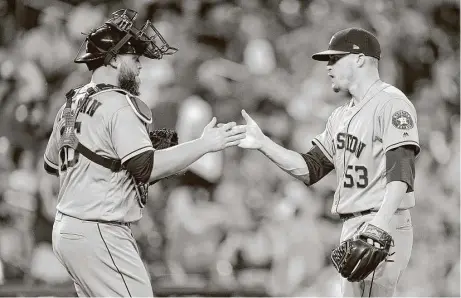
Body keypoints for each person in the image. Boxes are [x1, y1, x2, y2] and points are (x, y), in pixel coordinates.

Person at [42, 9, 246, 297]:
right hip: (101, 230)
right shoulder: (119, 103)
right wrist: (205, 143)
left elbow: (53, 165)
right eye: (134, 59)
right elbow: (146, 168)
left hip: (67, 230)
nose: (140, 67)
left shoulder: (71, 103)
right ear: (112, 59)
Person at [237, 27, 420, 297]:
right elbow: (309, 169)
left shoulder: (391, 103)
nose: (328, 67)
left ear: (359, 59)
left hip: (382, 221)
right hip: (353, 224)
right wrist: (264, 144)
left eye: (335, 59)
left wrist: (379, 224)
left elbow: (401, 170)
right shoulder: (340, 116)